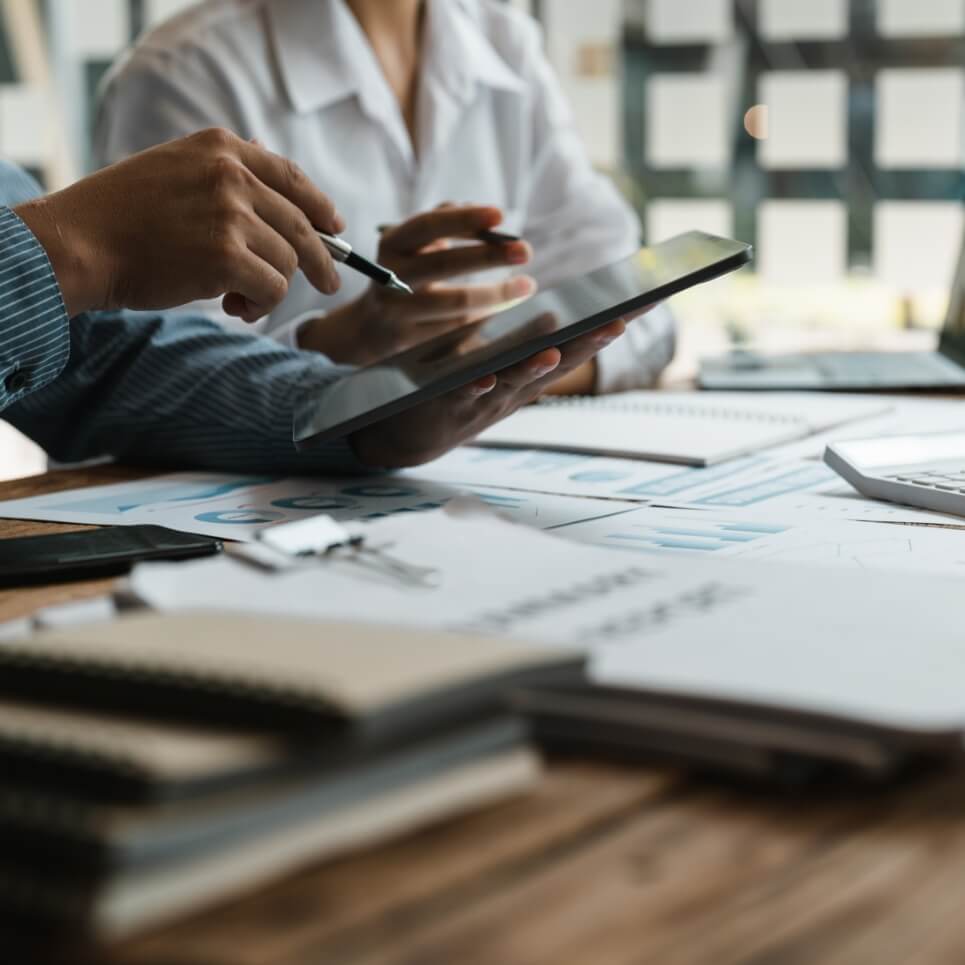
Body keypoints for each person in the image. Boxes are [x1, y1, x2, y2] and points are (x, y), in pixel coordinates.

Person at [96, 0, 676, 396]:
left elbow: (643, 314)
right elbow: (147, 380)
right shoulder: (187, 72)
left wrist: (485, 370)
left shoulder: (505, 41)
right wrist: (351, 347)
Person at [0, 130, 627, 472]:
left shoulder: (502, 34)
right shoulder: (190, 60)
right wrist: (71, 249)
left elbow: (96, 361)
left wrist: (357, 416)